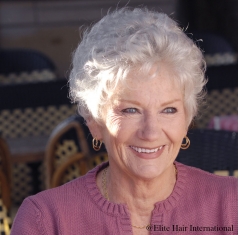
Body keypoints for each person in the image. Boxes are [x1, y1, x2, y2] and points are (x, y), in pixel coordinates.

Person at [10, 7, 237, 235]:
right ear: (94, 121)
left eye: (168, 110)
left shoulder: (231, 206)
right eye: (131, 110)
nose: (150, 132)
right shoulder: (44, 220)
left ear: (187, 119)